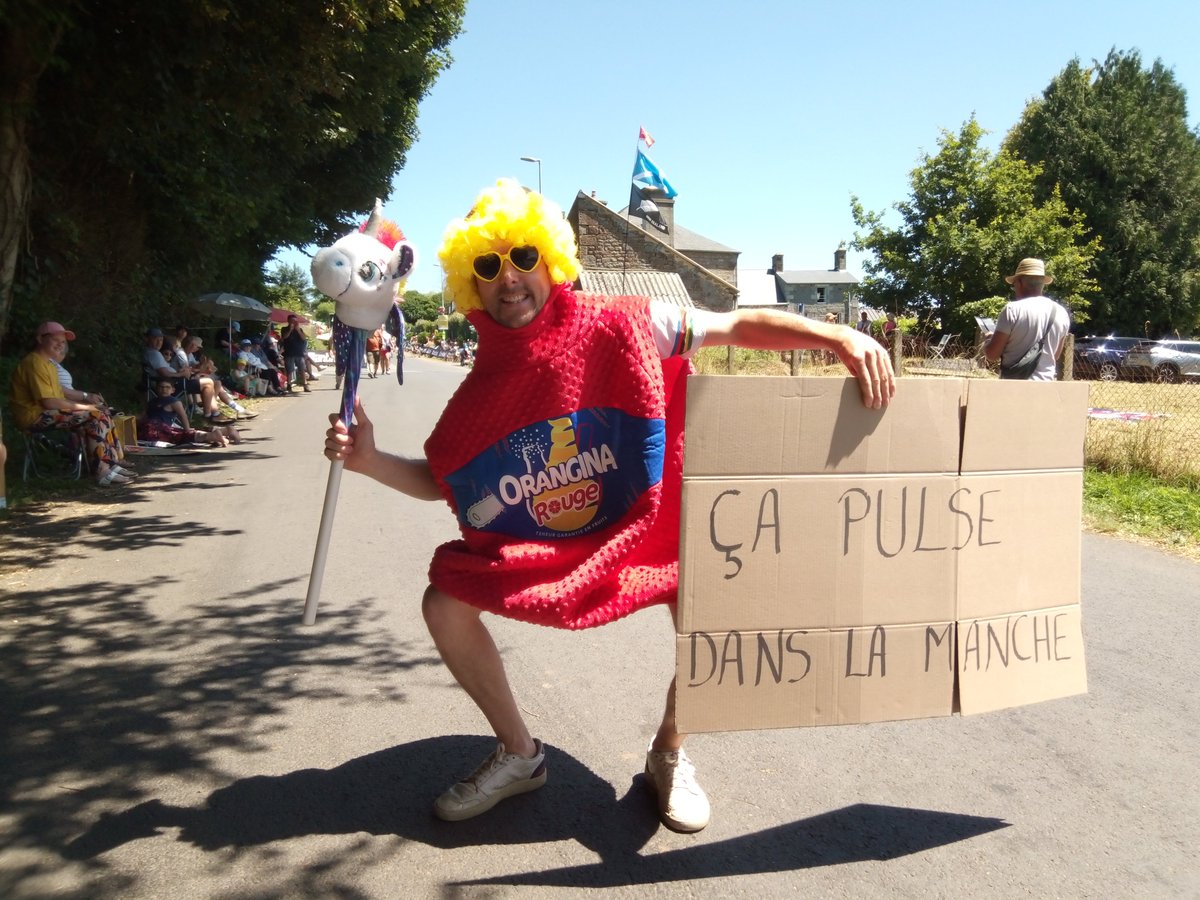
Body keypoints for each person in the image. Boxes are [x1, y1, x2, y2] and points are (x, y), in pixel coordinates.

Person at [323, 179, 894, 833]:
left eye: (523, 257)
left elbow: (735, 324)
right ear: (469, 282)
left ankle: (669, 751)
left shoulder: (629, 322)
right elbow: (447, 480)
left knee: (714, 611)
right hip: (554, 548)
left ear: (551, 260)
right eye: (487, 264)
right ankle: (520, 754)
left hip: (648, 533)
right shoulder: (477, 396)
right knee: (443, 604)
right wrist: (369, 460)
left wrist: (837, 338)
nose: (509, 278)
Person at [9, 321, 135, 485]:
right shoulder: (34, 363)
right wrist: (87, 407)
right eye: (55, 340)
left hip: (45, 413)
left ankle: (111, 463)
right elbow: (49, 402)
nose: (60, 345)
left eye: (63, 342)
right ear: (40, 339)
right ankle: (101, 470)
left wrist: (90, 406)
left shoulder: (49, 365)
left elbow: (58, 398)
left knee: (102, 412)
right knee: (95, 415)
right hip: (32, 417)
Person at [983, 257, 1070, 381]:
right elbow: (1054, 355)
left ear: (1019, 283)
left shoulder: (1012, 310)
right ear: (1042, 284)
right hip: (1046, 386)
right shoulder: (1061, 312)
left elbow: (992, 355)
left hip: (1014, 386)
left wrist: (988, 341)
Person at [142, 327, 236, 423]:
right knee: (208, 383)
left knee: (212, 382)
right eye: (155, 339)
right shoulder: (153, 354)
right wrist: (181, 374)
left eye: (161, 340)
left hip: (173, 381)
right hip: (171, 385)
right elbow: (164, 373)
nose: (159, 342)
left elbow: (168, 370)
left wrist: (184, 371)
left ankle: (213, 413)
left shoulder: (154, 353)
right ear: (147, 339)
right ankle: (209, 415)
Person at [139, 377, 242, 447]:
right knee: (179, 434)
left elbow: (183, 416)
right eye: (161, 387)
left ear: (173, 390)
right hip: (152, 427)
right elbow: (144, 416)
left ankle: (213, 435)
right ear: (157, 389)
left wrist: (187, 429)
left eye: (167, 387)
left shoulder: (174, 402)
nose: (164, 390)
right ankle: (222, 432)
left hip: (162, 428)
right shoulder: (152, 402)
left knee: (181, 436)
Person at [280, 314, 310, 392]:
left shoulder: (299, 329)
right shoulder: (284, 329)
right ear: (288, 321)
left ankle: (305, 385)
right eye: (292, 321)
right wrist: (290, 329)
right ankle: (289, 385)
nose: (294, 322)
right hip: (289, 352)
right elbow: (284, 337)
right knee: (289, 370)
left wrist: (298, 330)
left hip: (299, 352)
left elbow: (304, 338)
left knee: (302, 369)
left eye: (295, 321)